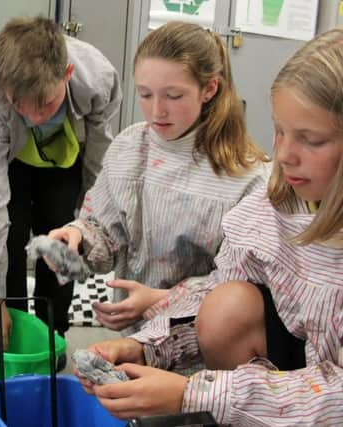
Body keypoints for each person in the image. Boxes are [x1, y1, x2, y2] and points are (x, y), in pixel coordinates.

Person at [79, 27, 343, 425]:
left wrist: (195, 393)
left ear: (209, 89)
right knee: (228, 303)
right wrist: (146, 348)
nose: (285, 155)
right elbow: (217, 289)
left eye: (311, 139)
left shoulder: (243, 175)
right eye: (280, 131)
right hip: (290, 379)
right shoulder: (274, 204)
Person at [47, 21, 268, 334]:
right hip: (135, 340)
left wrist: (163, 300)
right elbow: (104, 232)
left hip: (209, 355)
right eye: (145, 94)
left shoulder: (248, 177)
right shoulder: (128, 148)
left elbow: (245, 291)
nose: (156, 111)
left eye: (173, 96)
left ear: (210, 89)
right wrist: (78, 239)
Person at [0, 16, 122, 349]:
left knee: (60, 241)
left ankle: (53, 335)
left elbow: (100, 159)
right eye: (19, 105)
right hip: (12, 165)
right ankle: (14, 331)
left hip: (65, 166)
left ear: (66, 74)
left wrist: (89, 222)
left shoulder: (99, 78)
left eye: (46, 104)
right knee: (10, 239)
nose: (35, 116)